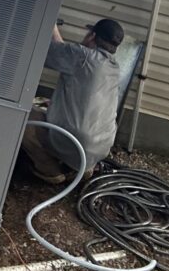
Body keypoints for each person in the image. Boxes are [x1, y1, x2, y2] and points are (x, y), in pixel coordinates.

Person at [22, 18, 125, 183]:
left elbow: (49, 52)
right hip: (101, 147)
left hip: (73, 141)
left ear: (91, 36)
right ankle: (82, 168)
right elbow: (64, 52)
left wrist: (48, 23)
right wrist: (53, 28)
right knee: (58, 116)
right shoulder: (114, 68)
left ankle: (49, 170)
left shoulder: (82, 56)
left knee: (23, 118)